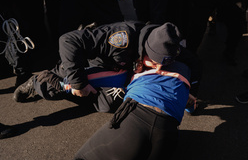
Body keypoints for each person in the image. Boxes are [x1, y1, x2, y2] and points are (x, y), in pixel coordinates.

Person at [71, 22, 196, 160]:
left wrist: (70, 83)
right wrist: (188, 103)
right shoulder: (185, 71)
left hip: (132, 130)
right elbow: (191, 104)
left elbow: (90, 78)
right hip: (166, 144)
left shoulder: (133, 69)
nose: (158, 67)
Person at [13, 21, 201, 114]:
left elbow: (193, 62)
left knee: (109, 105)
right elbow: (67, 40)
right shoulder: (121, 38)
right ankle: (37, 82)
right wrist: (79, 83)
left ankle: (94, 95)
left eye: (164, 63)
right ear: (146, 50)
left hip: (125, 70)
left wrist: (190, 90)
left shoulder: (166, 42)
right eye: (154, 63)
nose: (159, 68)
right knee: (58, 87)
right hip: (98, 64)